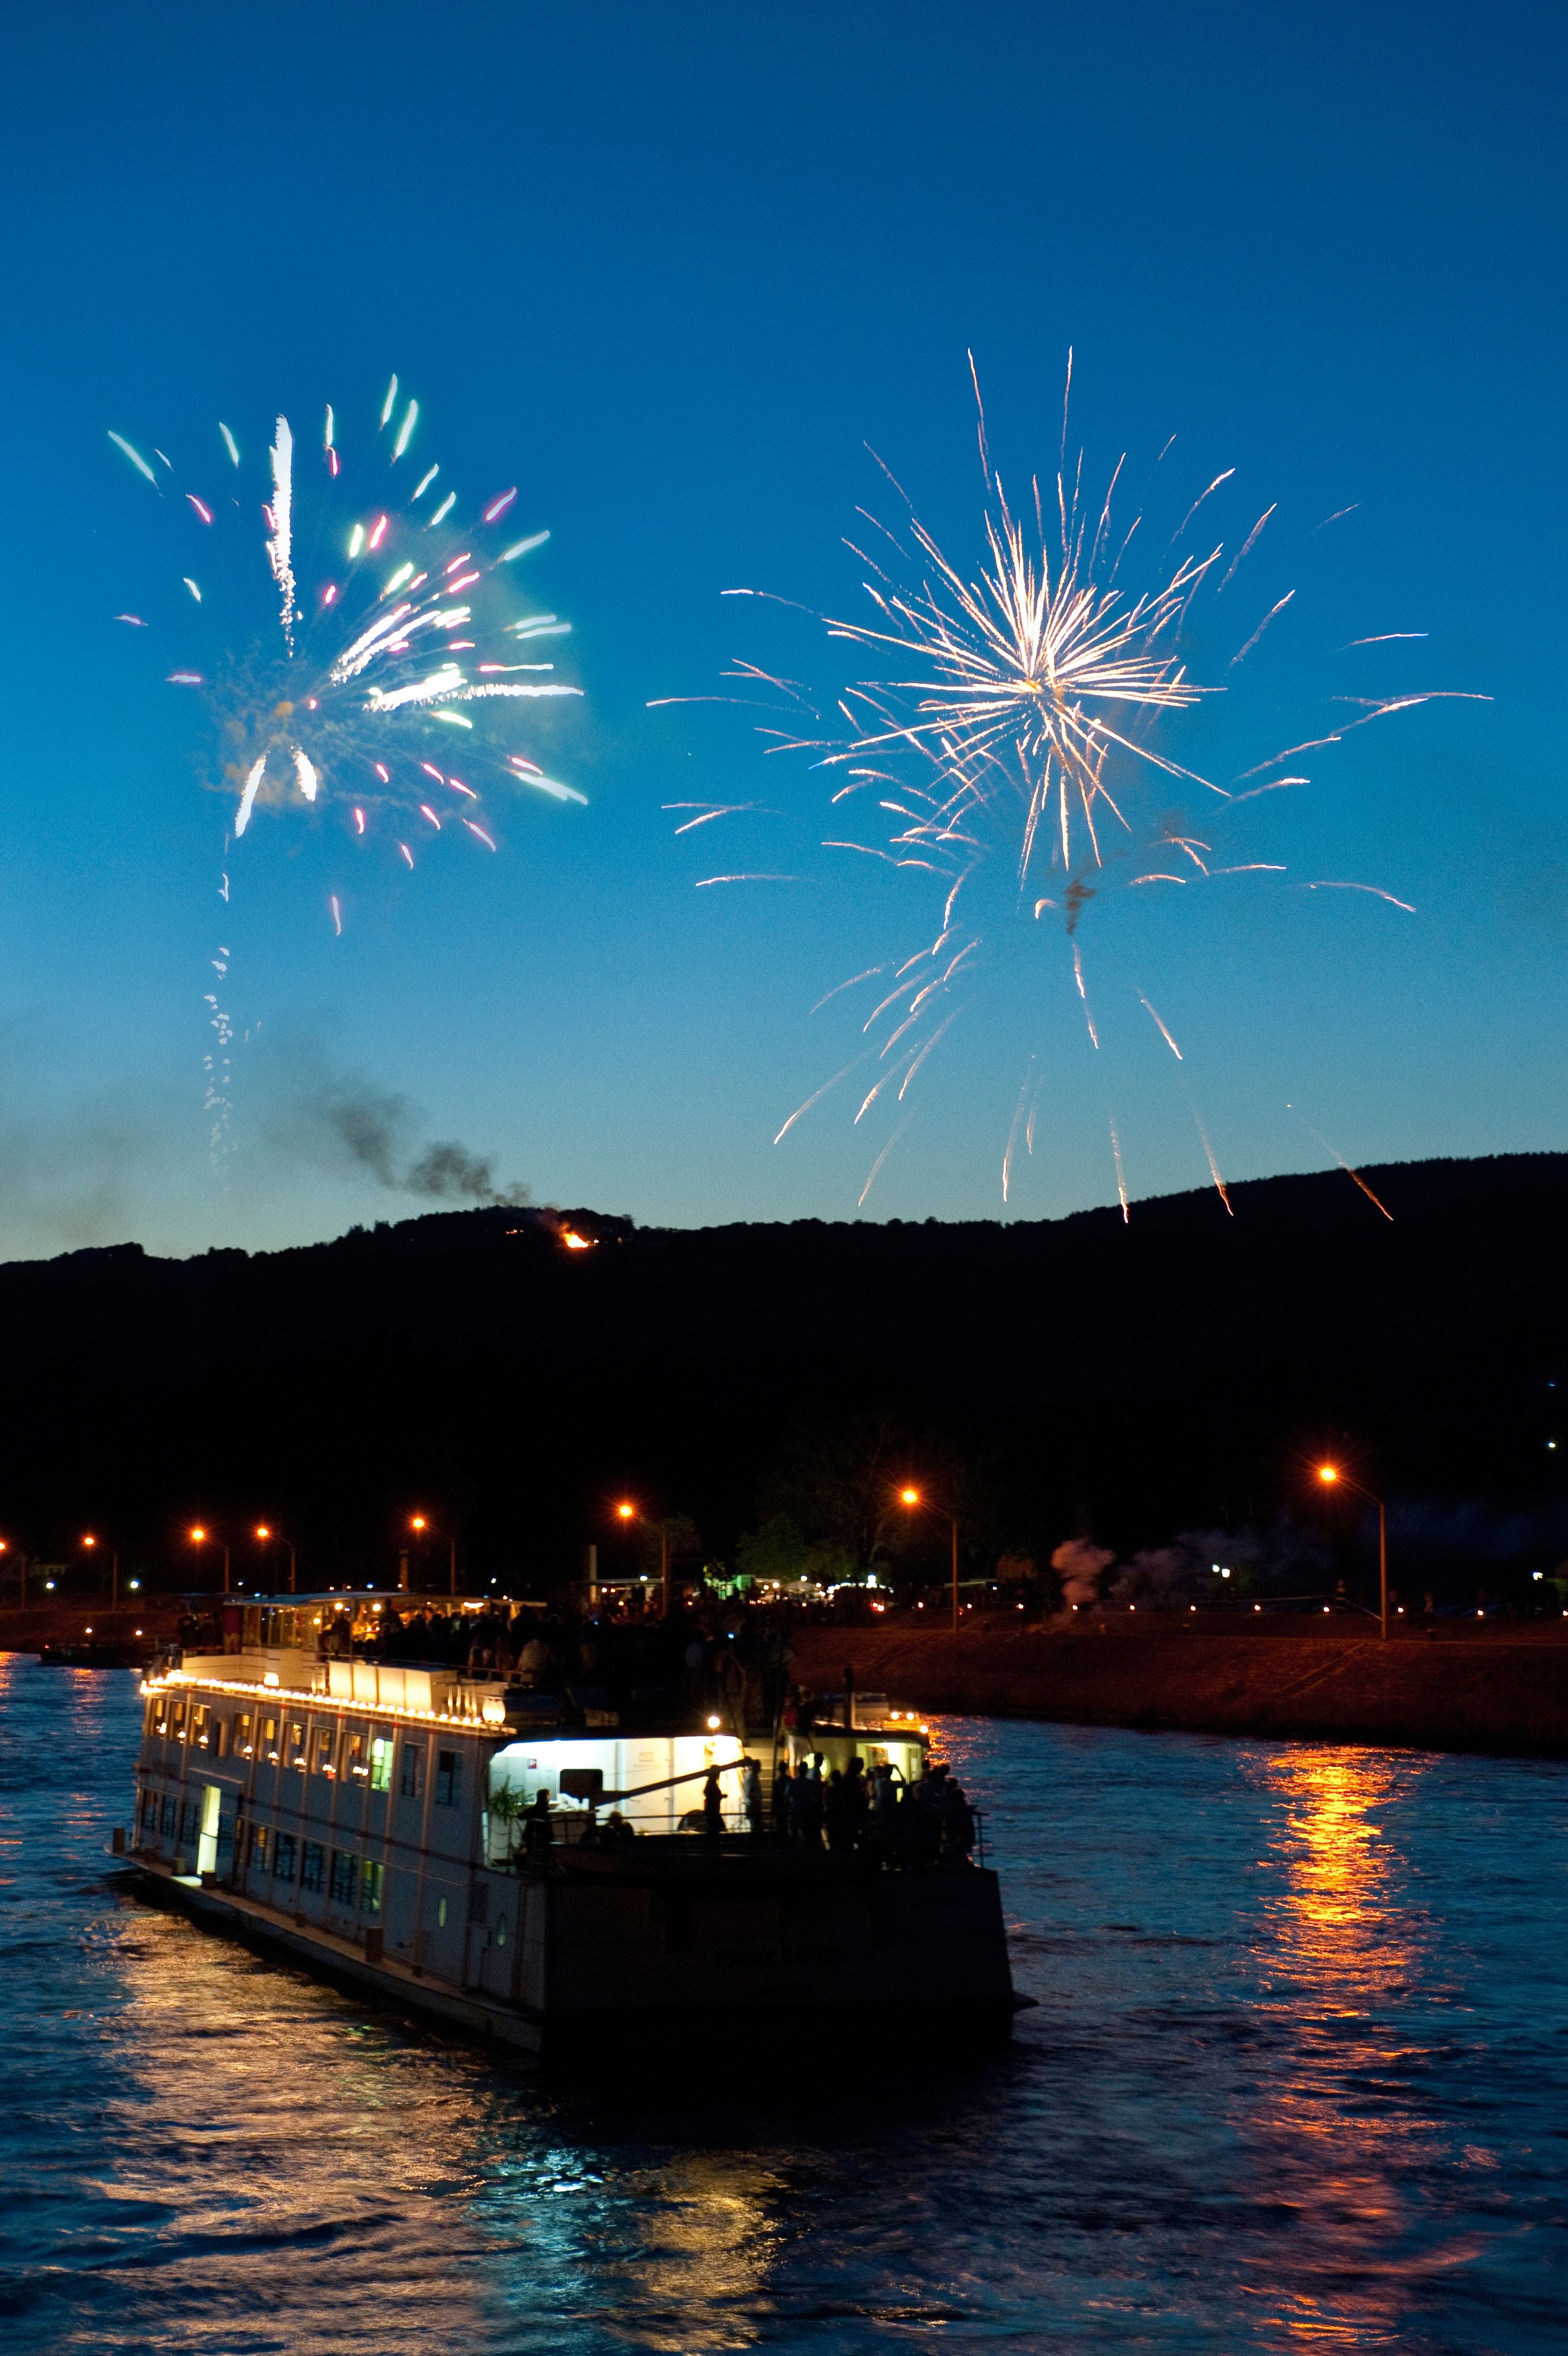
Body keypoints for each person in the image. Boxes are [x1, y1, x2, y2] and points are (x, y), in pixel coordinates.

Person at [522, 1789, 554, 1862]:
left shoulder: (533, 1809)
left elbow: (521, 1815)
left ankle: (534, 1867)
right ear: (546, 1797)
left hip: (529, 1836)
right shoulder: (546, 1811)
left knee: (534, 1855)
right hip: (542, 1838)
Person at [742, 1755, 765, 1839]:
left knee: (754, 1827)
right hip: (753, 1806)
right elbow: (751, 1793)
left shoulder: (751, 1776)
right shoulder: (752, 1778)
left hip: (752, 1805)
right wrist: (757, 1804)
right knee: (755, 1827)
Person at [701, 1764, 725, 1842]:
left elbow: (707, 1793)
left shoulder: (711, 1782)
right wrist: (720, 1796)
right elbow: (711, 1794)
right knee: (718, 1829)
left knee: (714, 1829)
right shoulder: (713, 1783)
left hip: (712, 1811)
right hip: (714, 1812)